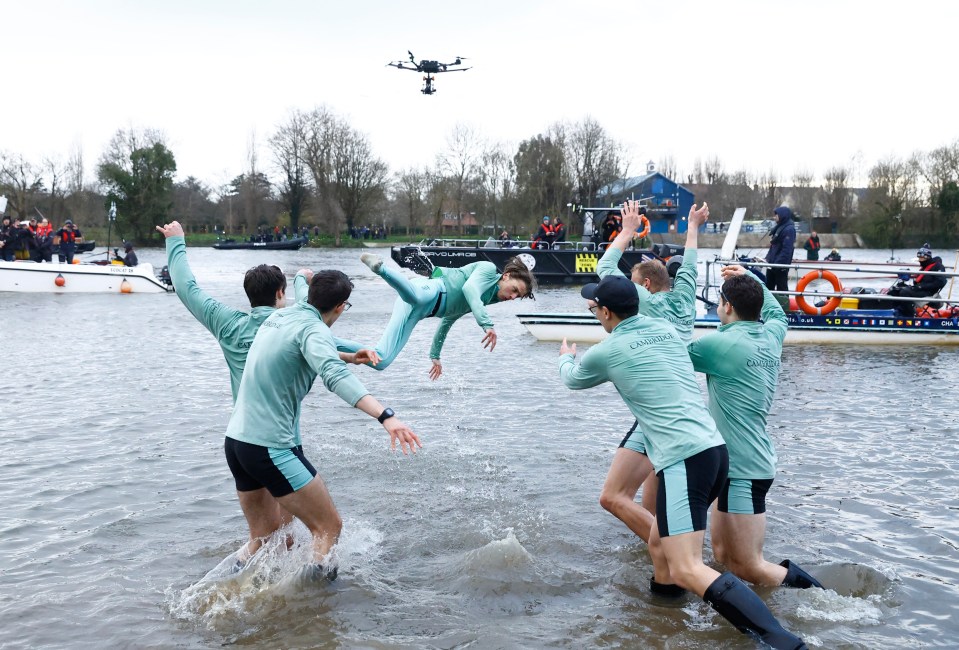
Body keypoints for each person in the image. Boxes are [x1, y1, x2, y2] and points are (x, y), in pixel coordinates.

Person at [558, 275, 805, 649]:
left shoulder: (607, 349)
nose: (595, 314)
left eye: (595, 310)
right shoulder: (666, 331)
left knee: (687, 566)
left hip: (684, 459)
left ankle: (781, 641)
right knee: (660, 547)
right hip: (716, 451)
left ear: (605, 312)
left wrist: (564, 357)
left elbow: (573, 380)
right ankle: (663, 622)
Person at [157, 220, 374, 565]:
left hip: (241, 438)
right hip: (279, 439)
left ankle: (236, 588)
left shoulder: (226, 323)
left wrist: (176, 243)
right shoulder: (288, 323)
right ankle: (307, 599)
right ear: (279, 295)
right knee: (307, 529)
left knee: (265, 537)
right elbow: (317, 336)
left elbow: (187, 288)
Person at [224, 269, 421, 578]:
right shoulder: (315, 331)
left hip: (237, 443)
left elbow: (306, 348)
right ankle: (314, 608)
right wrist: (387, 416)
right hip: (270, 447)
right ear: (341, 306)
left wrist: (351, 357)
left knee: (262, 540)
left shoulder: (281, 317)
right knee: (329, 527)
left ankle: (225, 587)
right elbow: (334, 376)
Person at [687, 265, 823, 591]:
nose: (717, 307)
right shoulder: (772, 335)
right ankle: (751, 616)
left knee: (750, 564)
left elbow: (668, 356)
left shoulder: (720, 344)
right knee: (721, 554)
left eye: (719, 302)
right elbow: (777, 311)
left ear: (727, 307)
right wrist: (750, 275)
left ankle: (825, 600)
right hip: (734, 466)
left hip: (745, 469)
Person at [596, 200, 708, 546]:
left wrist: (627, 229)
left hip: (658, 410)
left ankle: (674, 553)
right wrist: (693, 227)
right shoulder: (685, 298)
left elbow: (605, 266)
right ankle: (662, 558)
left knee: (620, 498)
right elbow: (690, 264)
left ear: (644, 285)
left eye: (633, 283)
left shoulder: (643, 303)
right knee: (655, 503)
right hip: (687, 401)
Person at [339, 253, 535, 379]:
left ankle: (326, 341)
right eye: (515, 290)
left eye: (517, 296)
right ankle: (380, 268)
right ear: (507, 275)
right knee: (416, 296)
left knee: (381, 361)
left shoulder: (483, 300)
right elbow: (469, 288)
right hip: (431, 289)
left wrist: (435, 355)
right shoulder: (487, 269)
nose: (512, 297)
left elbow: (448, 319)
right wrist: (486, 324)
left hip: (419, 311)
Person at [886, 243, 948, 316]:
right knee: (895, 291)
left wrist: (921, 287)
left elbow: (940, 282)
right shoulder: (924, 267)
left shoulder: (937, 267)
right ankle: (898, 312)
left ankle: (909, 316)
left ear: (927, 257)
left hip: (929, 292)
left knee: (904, 293)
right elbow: (917, 282)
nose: (919, 260)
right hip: (919, 290)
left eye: (921, 257)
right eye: (919, 257)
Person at [765, 206, 796, 293]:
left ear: (782, 215)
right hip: (772, 263)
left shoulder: (789, 229)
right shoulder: (780, 227)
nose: (774, 217)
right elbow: (774, 246)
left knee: (781, 287)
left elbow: (787, 249)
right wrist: (768, 258)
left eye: (776, 215)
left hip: (780, 265)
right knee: (769, 286)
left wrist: (778, 264)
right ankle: (769, 305)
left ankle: (783, 305)